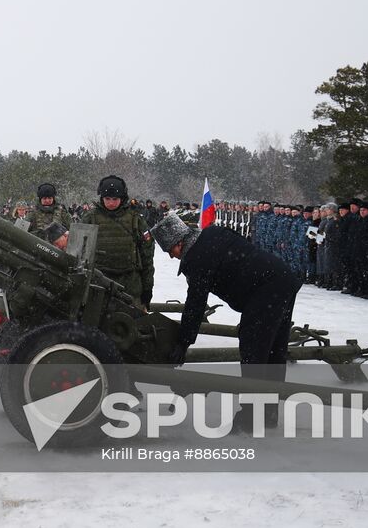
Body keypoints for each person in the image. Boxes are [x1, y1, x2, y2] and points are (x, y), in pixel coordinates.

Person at [155, 213, 303, 428]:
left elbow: (195, 303)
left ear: (179, 241)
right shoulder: (212, 234)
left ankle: (252, 417)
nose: (171, 256)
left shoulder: (198, 257)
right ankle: (268, 412)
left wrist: (183, 342)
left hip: (265, 290)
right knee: (273, 351)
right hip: (281, 278)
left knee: (255, 350)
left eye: (170, 250)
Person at [81, 175, 156, 308]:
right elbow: (79, 253)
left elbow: (147, 257)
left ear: (122, 198)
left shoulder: (136, 220)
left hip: (130, 286)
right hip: (98, 284)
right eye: (107, 199)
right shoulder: (90, 218)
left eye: (115, 199)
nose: (110, 203)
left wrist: (147, 288)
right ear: (101, 198)